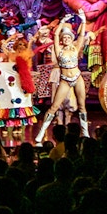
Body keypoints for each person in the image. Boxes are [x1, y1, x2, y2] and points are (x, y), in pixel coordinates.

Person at [34, 9, 92, 142]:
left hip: (77, 78)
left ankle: (85, 132)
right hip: (65, 80)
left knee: (82, 105)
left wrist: (83, 20)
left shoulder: (75, 49)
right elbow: (55, 35)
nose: (66, 39)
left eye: (68, 37)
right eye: (64, 37)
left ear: (71, 39)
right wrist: (62, 22)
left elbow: (81, 36)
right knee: (54, 107)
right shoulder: (59, 50)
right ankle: (41, 132)